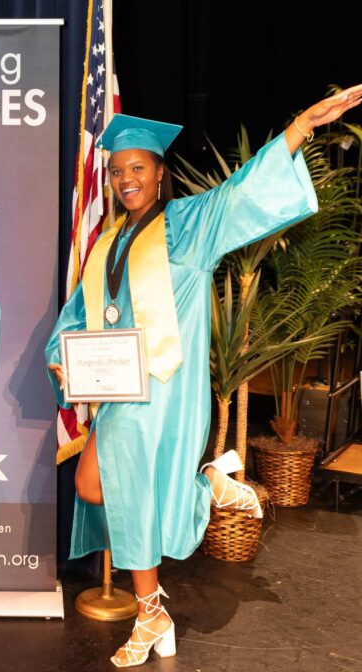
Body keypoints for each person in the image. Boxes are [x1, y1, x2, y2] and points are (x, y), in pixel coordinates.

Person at [46, 84, 362, 667]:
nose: (125, 179)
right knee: (94, 487)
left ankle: (149, 615)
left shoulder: (189, 223)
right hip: (118, 389)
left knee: (130, 492)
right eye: (117, 172)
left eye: (136, 167)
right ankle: (211, 484)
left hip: (166, 383)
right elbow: (80, 316)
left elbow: (241, 195)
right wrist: (61, 354)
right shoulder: (107, 242)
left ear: (159, 171)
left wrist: (300, 128)